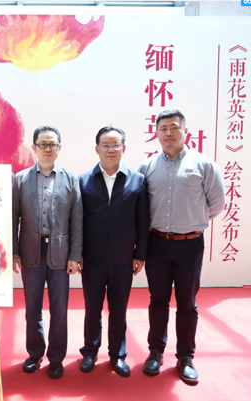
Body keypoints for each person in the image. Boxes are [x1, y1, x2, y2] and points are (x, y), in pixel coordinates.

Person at [138, 110, 225, 385]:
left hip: (190, 244)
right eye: (163, 128)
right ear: (156, 133)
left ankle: (185, 357)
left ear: (185, 131)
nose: (168, 133)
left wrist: (192, 220)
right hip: (156, 243)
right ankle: (155, 352)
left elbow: (217, 203)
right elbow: (141, 207)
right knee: (158, 300)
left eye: (174, 127)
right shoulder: (147, 167)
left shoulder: (204, 165)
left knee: (187, 303)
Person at [78, 126, 150, 377]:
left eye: (115, 144)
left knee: (118, 310)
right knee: (92, 309)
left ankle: (118, 355)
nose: (111, 149)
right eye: (105, 145)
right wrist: (77, 253)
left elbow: (143, 220)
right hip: (92, 259)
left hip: (123, 259)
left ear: (124, 148)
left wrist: (140, 254)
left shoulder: (137, 180)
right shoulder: (83, 181)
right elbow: (78, 221)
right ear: (97, 149)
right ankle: (89, 352)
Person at [12, 125, 83, 379]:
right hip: (30, 251)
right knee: (32, 309)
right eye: (43, 144)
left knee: (59, 310)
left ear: (59, 148)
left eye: (52, 144)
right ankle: (34, 353)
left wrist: (75, 255)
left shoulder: (70, 179)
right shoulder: (21, 179)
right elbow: (14, 217)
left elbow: (77, 220)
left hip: (60, 254)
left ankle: (56, 357)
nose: (48, 148)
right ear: (34, 148)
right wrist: (14, 252)